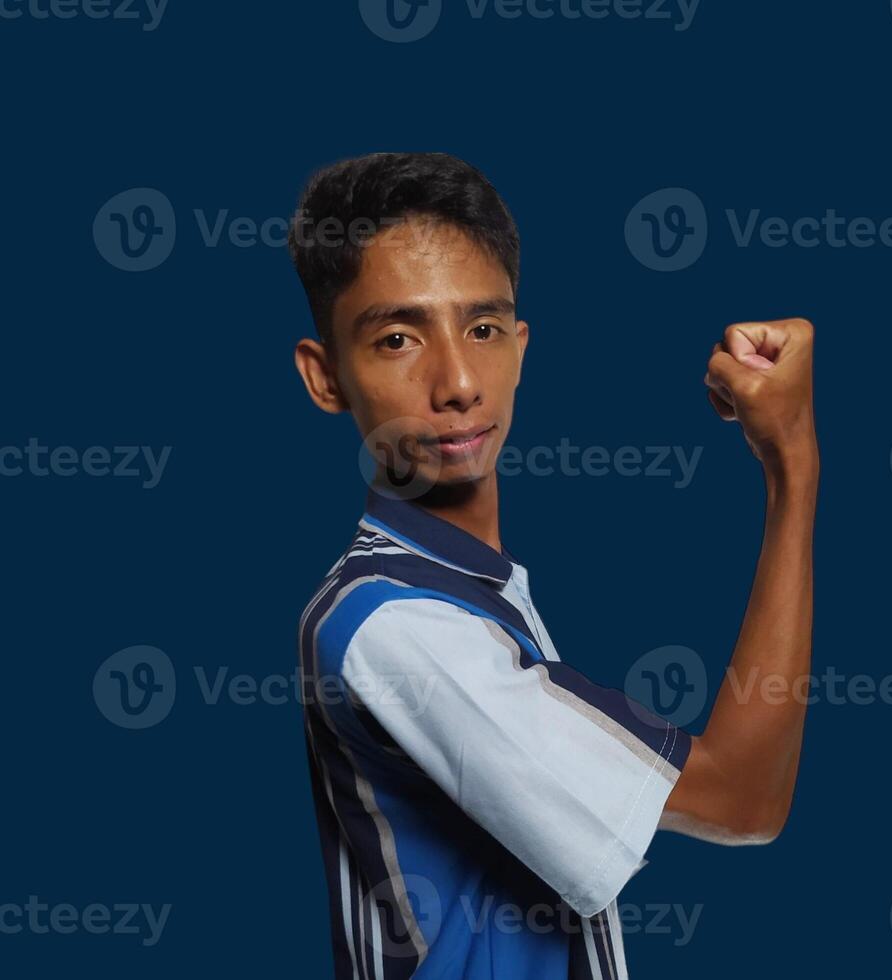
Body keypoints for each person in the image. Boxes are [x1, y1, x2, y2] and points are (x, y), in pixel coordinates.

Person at [288, 151, 819, 979]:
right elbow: (744, 801)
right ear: (326, 378)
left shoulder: (471, 590)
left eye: (484, 328)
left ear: (521, 346)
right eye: (397, 337)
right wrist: (791, 464)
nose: (459, 380)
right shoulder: (393, 623)